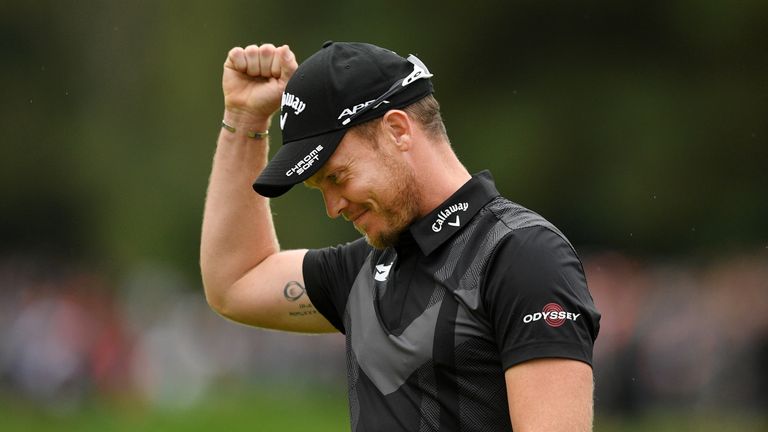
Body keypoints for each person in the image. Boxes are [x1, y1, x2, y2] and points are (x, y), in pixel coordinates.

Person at [201, 41, 601, 431]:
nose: (333, 206)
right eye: (319, 188)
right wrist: (244, 119)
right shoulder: (365, 269)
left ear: (397, 130)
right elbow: (235, 282)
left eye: (337, 177)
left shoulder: (521, 255)